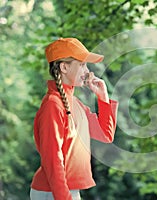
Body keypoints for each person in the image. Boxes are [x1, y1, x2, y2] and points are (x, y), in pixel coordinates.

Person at [30, 38, 118, 200]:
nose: (87, 71)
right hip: (53, 192)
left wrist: (103, 97)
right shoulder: (53, 105)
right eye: (82, 64)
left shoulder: (75, 104)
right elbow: (52, 160)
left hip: (65, 191)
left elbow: (106, 135)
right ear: (64, 67)